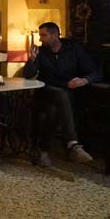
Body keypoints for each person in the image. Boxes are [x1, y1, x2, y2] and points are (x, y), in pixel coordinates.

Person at [24, 22, 101, 166]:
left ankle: (43, 151)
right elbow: (28, 75)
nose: (40, 39)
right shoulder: (41, 52)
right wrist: (32, 59)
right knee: (60, 95)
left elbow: (95, 72)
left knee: (53, 110)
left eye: (43, 35)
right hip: (45, 91)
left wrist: (84, 80)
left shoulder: (74, 49)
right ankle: (73, 144)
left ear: (54, 35)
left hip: (69, 94)